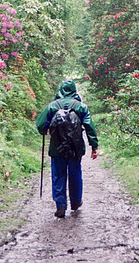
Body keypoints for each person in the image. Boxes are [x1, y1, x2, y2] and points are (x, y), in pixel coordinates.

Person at [36, 79, 98, 218]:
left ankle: (61, 206)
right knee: (75, 175)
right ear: (74, 90)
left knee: (58, 175)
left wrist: (46, 130)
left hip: (57, 148)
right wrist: (94, 146)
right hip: (75, 148)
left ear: (60, 90)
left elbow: (40, 126)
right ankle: (75, 203)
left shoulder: (53, 106)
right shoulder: (81, 107)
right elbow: (89, 127)